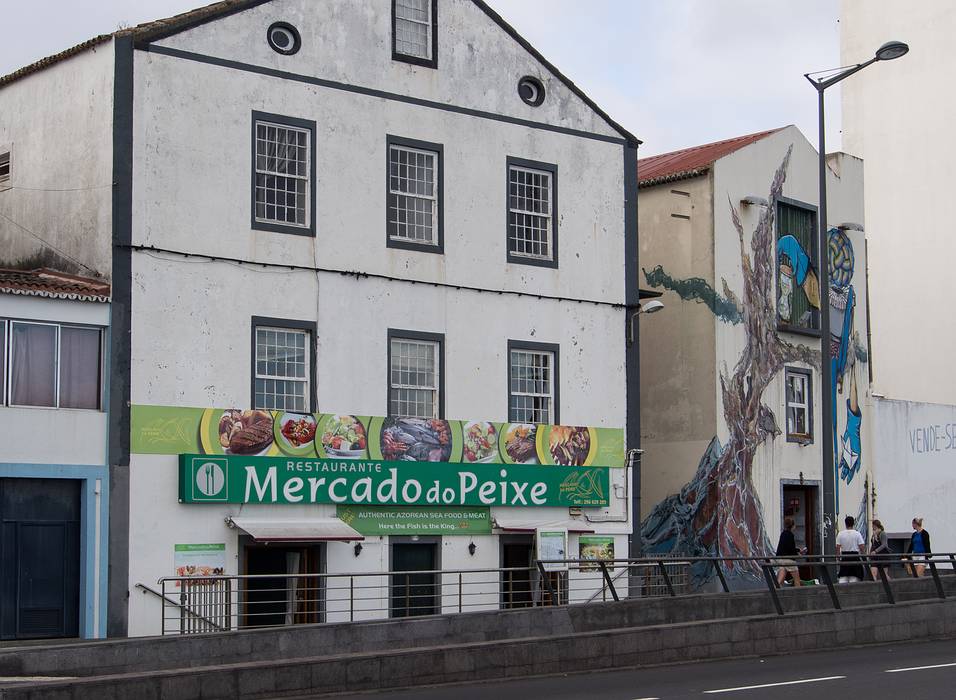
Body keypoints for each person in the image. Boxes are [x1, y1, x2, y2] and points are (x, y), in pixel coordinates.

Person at [836, 515, 865, 583]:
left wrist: (838, 558)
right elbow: (862, 547)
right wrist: (863, 556)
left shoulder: (840, 534)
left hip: (844, 557)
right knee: (854, 578)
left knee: (843, 578)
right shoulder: (857, 534)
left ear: (845, 524)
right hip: (855, 556)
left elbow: (837, 547)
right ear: (853, 523)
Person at [775, 517, 803, 586]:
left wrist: (798, 550)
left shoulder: (783, 534)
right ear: (792, 526)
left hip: (780, 559)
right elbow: (791, 549)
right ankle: (799, 594)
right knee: (797, 580)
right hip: (788, 560)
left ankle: (775, 593)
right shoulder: (790, 535)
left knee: (780, 580)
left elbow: (785, 547)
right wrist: (798, 554)